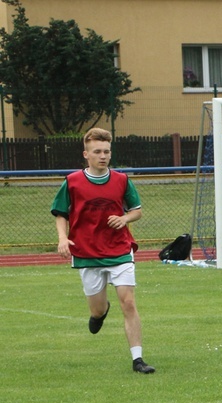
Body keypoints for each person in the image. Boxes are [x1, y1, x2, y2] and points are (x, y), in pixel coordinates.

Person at [51, 128, 155, 374]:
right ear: (86, 154)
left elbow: (137, 210)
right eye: (97, 151)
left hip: (119, 250)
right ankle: (100, 314)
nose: (103, 156)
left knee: (128, 302)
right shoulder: (72, 181)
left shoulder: (121, 180)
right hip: (87, 252)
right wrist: (63, 238)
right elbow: (60, 213)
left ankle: (138, 360)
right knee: (97, 308)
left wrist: (125, 218)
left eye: (107, 151)